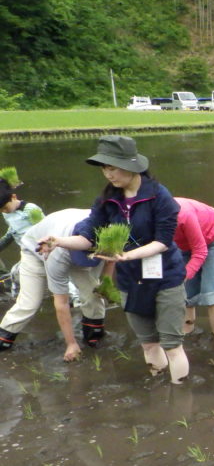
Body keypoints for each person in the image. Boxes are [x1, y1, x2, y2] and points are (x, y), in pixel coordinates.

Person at [38, 136, 190, 383]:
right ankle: (160, 387)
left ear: (131, 166)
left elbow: (163, 241)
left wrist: (128, 255)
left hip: (165, 276)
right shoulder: (107, 200)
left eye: (112, 168)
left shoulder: (159, 196)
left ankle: (180, 394)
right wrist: (59, 241)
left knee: (172, 345)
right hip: (131, 280)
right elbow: (88, 236)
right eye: (104, 169)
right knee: (148, 343)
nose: (108, 174)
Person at [0, 208, 105, 360]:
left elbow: (112, 257)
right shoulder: (57, 255)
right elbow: (61, 302)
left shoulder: (109, 229)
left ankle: (94, 335)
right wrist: (71, 343)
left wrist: (106, 284)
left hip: (83, 245)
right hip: (37, 250)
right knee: (30, 303)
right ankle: (3, 337)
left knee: (94, 292)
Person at [172, 197, 214, 338]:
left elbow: (200, 252)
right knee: (185, 293)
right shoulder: (145, 219)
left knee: (211, 293)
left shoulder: (184, 215)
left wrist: (184, 275)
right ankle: (187, 335)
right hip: (184, 243)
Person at [0, 168, 44, 277]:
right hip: (26, 253)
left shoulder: (30, 209)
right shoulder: (6, 213)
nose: (4, 211)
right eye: (1, 210)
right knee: (15, 274)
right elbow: (13, 231)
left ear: (13, 197)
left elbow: (46, 228)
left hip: (41, 250)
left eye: (5, 208)